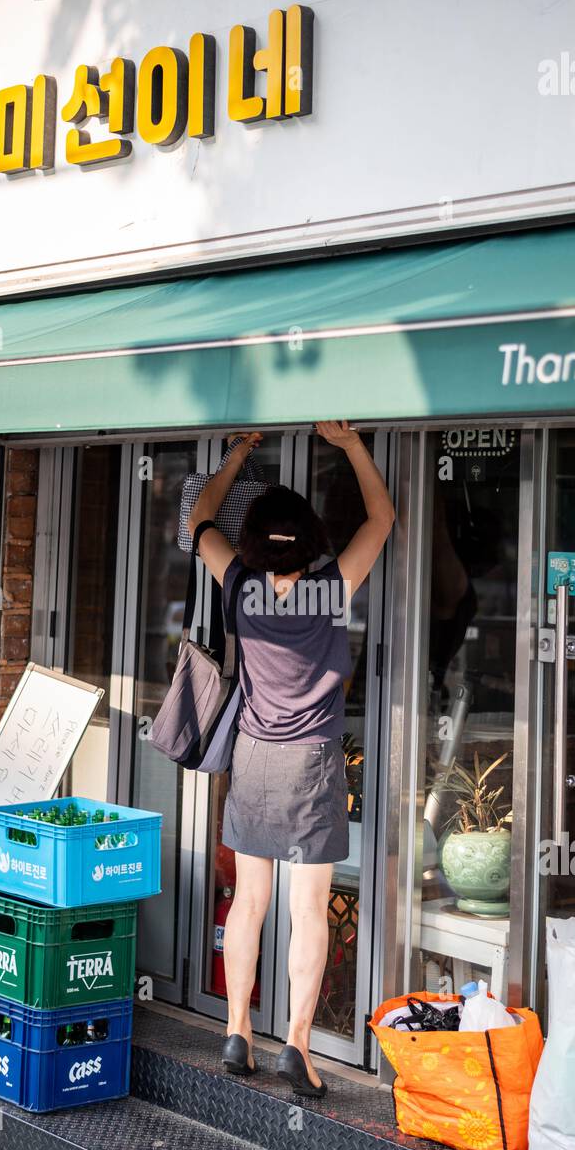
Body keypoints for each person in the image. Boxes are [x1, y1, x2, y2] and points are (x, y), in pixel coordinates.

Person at [186, 421, 395, 1096]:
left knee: (249, 902)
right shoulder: (332, 586)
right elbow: (382, 516)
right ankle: (298, 1047)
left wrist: (239, 453)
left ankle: (239, 1030)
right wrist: (352, 446)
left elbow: (198, 519)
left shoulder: (240, 582)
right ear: (310, 538)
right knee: (309, 910)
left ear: (253, 542)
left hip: (254, 758)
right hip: (312, 762)